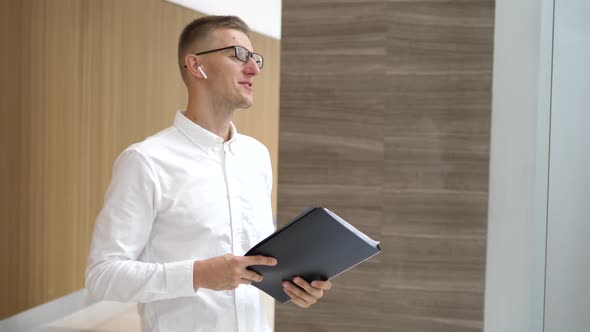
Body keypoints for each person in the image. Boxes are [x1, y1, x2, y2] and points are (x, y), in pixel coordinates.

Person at [85, 15, 331, 332]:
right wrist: (198, 275)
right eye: (238, 55)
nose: (254, 69)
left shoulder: (256, 155)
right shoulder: (145, 161)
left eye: (255, 59)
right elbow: (102, 276)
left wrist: (295, 283)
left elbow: (253, 263)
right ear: (196, 65)